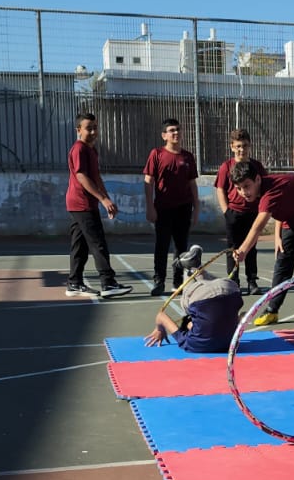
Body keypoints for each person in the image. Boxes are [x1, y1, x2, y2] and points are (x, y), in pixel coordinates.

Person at [229, 164, 294, 329]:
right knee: (283, 261)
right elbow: (281, 205)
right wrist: (277, 235)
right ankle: (272, 310)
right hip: (291, 216)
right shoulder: (262, 190)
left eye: (246, 186)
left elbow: (258, 226)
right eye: (239, 188)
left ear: (257, 179)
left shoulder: (269, 193)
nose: (244, 192)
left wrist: (243, 250)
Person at [65, 112, 132, 299]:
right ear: (78, 130)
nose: (94, 131)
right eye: (89, 128)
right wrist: (102, 200)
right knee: (97, 243)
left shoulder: (91, 150)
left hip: (81, 203)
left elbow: (96, 177)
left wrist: (107, 199)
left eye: (95, 127)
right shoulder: (79, 149)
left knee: (80, 245)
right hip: (81, 203)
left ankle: (74, 282)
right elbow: (82, 176)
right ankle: (108, 283)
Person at [145, 245, 242, 354]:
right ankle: (191, 266)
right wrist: (160, 329)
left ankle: (194, 266)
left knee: (205, 291)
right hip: (203, 297)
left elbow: (239, 318)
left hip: (231, 290)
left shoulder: (228, 342)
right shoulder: (190, 343)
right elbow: (160, 316)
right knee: (189, 300)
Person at [143, 117, 200, 297]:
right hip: (163, 208)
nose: (176, 133)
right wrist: (150, 206)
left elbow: (192, 184)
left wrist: (196, 207)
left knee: (181, 248)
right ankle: (159, 281)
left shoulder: (188, 157)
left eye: (178, 130)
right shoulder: (157, 154)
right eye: (172, 130)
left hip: (183, 208)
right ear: (164, 135)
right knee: (162, 246)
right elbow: (148, 181)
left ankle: (178, 282)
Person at [215, 129, 266, 295]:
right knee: (233, 249)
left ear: (249, 146)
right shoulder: (226, 167)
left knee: (251, 247)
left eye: (244, 146)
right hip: (234, 213)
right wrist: (226, 211)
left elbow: (265, 189)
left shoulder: (256, 166)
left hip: (253, 213)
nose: (241, 149)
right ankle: (233, 281)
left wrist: (262, 210)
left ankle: (252, 281)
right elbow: (220, 189)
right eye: (238, 146)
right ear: (232, 147)